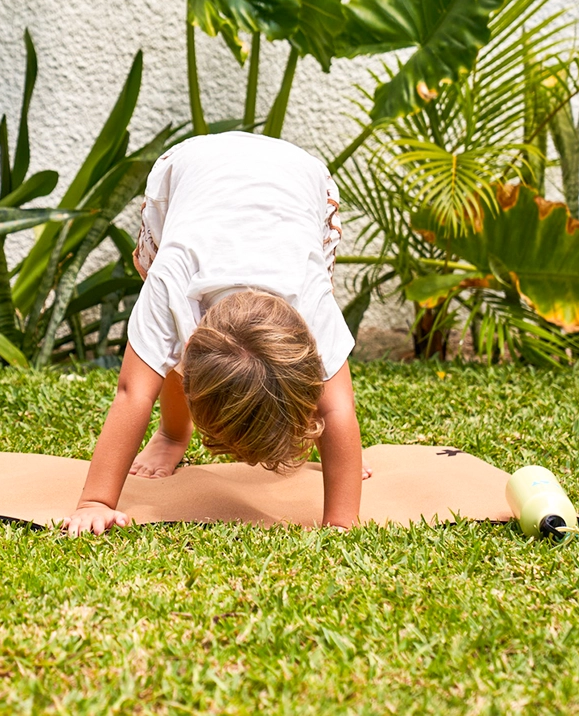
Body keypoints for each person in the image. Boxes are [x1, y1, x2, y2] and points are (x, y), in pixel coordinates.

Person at [62, 132, 368, 535]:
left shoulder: (310, 297)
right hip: (189, 170)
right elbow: (132, 392)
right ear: (187, 351)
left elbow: (337, 408)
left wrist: (341, 521)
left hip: (301, 180)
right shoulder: (172, 284)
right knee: (161, 340)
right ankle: (172, 434)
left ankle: (317, 439)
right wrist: (95, 502)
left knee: (318, 394)